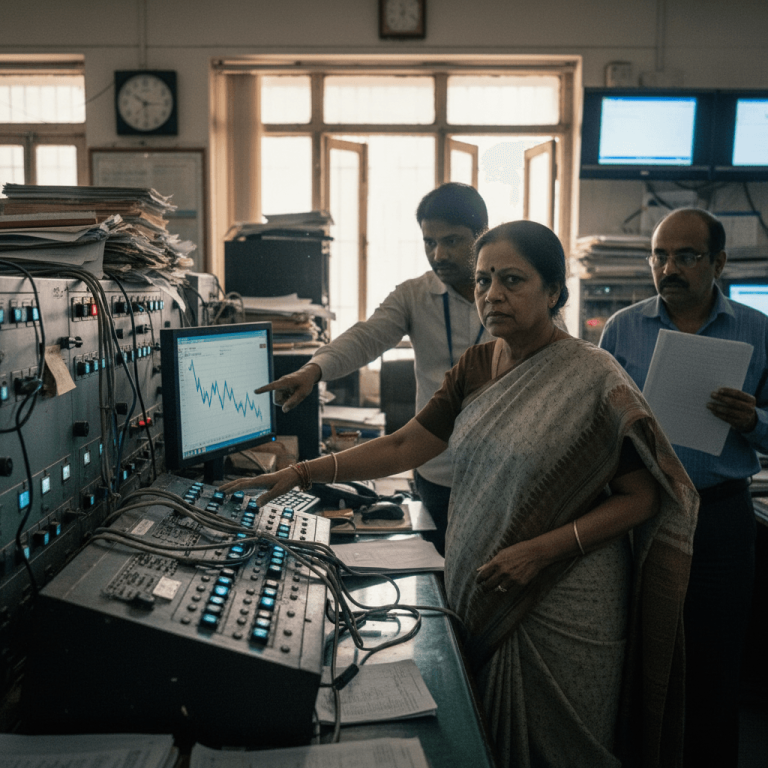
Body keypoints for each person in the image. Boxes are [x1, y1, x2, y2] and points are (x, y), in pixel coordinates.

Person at [224, 220, 698, 768]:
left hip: (566, 597)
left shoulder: (593, 377)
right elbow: (404, 445)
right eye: (482, 280)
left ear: (554, 292)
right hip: (488, 583)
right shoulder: (476, 366)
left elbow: (642, 498)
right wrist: (303, 474)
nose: (492, 294)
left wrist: (542, 550)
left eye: (512, 280)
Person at [599, 207, 767, 768]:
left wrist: (753, 422)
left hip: (720, 516)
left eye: (686, 256)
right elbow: (594, 423)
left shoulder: (757, 329)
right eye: (660, 255)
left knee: (715, 663)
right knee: (640, 654)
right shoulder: (623, 328)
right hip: (641, 510)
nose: (668, 267)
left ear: (718, 263)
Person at [255, 182, 491, 555]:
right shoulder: (414, 294)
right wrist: (314, 370)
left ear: (483, 236)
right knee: (442, 584)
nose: (438, 254)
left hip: (498, 475)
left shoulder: (510, 295)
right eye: (429, 242)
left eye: (452, 241)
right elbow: (366, 337)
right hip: (435, 471)